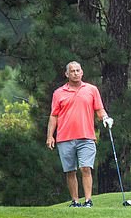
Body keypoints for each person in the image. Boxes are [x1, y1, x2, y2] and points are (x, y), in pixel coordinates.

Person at [46, 61, 113, 208]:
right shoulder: (59, 93)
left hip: (86, 136)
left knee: (86, 168)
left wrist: (106, 118)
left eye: (78, 70)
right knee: (70, 171)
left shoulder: (91, 89)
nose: (75, 73)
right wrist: (50, 136)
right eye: (72, 71)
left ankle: (88, 200)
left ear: (82, 72)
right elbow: (54, 116)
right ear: (67, 74)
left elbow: (99, 109)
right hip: (65, 137)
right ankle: (75, 201)